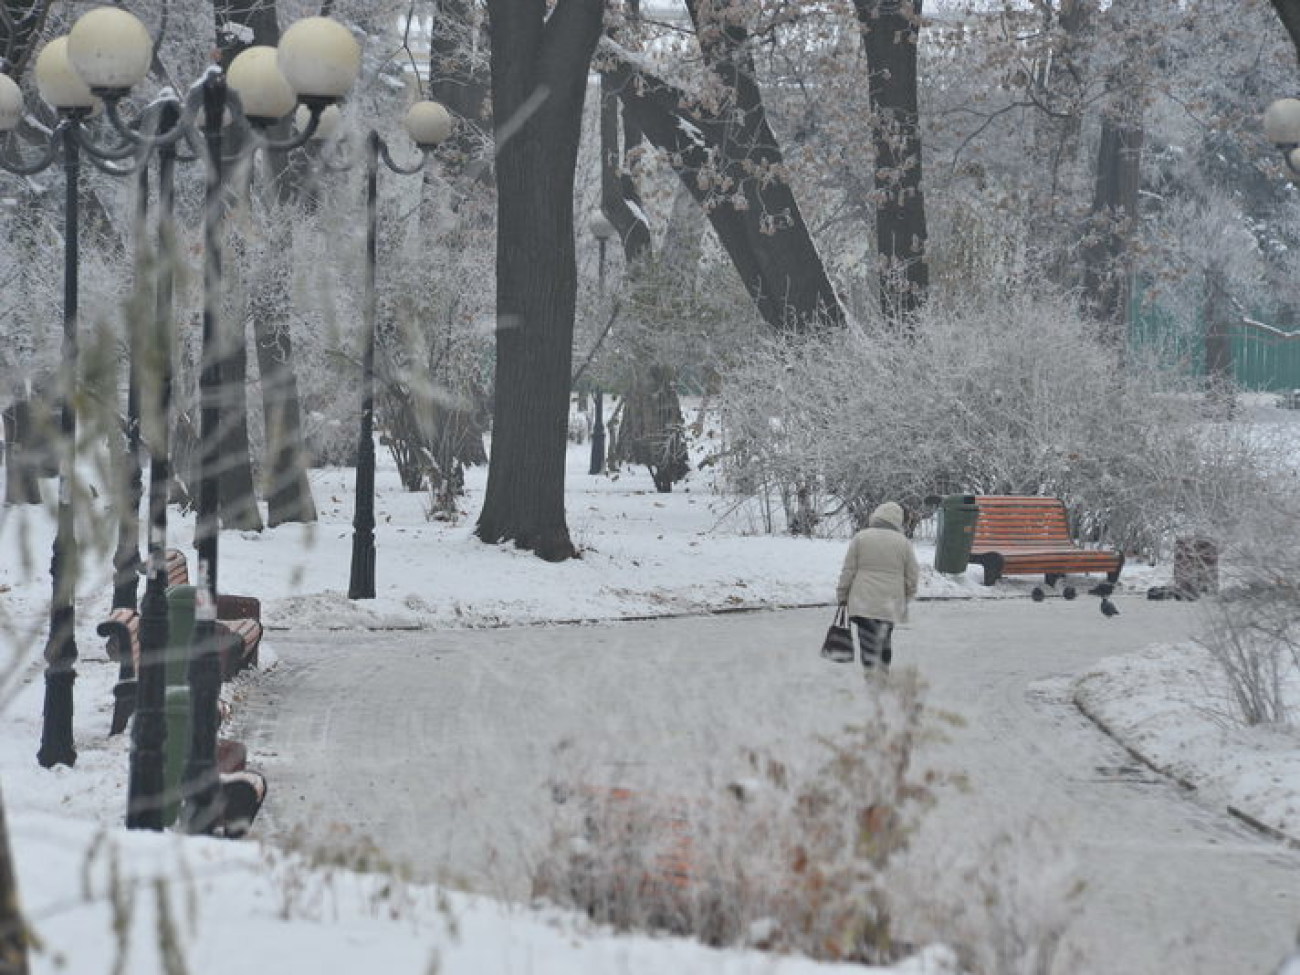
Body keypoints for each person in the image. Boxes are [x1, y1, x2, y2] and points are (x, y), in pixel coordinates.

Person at [835, 501, 919, 671]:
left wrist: (842, 595)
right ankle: (882, 674)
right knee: (884, 638)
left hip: (862, 601)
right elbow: (912, 575)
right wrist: (906, 597)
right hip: (890, 603)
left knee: (866, 640)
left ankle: (871, 676)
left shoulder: (861, 538)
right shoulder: (903, 543)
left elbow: (848, 570)